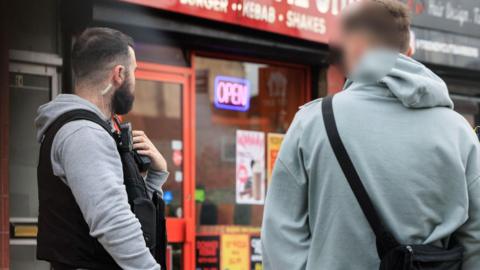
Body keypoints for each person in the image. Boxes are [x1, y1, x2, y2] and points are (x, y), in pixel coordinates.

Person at [261, 1, 480, 269]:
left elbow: (279, 240)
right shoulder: (459, 133)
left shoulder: (312, 123)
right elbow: (475, 239)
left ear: (356, 48)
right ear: (408, 52)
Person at [35, 27, 167, 269]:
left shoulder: (92, 130)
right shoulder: (85, 134)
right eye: (134, 72)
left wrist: (154, 177)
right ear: (119, 74)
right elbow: (113, 221)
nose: (135, 80)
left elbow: (127, 211)